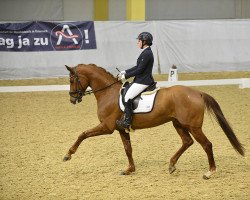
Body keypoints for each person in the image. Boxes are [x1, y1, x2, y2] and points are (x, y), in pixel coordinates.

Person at [116, 32, 155, 129]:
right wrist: (124, 71)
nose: (138, 42)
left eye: (139, 41)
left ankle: (127, 122)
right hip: (141, 79)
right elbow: (138, 66)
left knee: (127, 97)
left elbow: (140, 70)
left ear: (144, 42)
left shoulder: (147, 53)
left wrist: (126, 76)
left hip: (143, 81)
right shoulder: (146, 52)